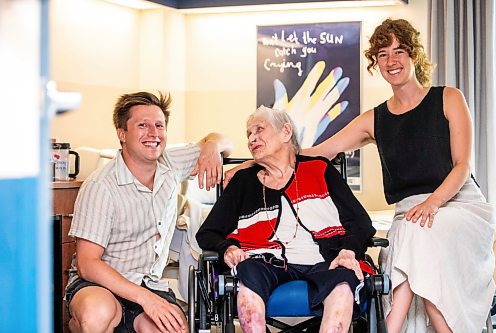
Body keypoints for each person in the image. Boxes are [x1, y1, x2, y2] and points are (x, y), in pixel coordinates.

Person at [304, 19, 495, 333]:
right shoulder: (374, 119)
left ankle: (390, 327)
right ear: (375, 63)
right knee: (413, 233)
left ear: (414, 55)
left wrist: (433, 203)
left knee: (415, 233)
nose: (391, 60)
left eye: (399, 50)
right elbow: (319, 152)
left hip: (459, 206)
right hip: (410, 216)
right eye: (382, 54)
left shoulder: (448, 98)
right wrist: (254, 163)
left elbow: (462, 166)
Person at [196, 106, 376, 333]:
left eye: (259, 129)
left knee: (342, 283)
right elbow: (207, 232)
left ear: (285, 132)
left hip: (324, 260)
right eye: (248, 134)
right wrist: (228, 247)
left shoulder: (320, 170)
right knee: (247, 274)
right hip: (264, 262)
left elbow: (360, 222)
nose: (252, 139)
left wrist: (348, 251)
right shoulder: (244, 182)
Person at [64, 91, 232, 333]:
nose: (153, 133)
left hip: (149, 283)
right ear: (122, 134)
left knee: (171, 328)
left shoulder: (171, 162)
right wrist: (147, 299)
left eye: (159, 125)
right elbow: (88, 264)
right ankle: (80, 324)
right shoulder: (100, 186)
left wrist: (211, 148)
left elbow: (224, 139)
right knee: (97, 314)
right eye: (142, 125)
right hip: (99, 285)